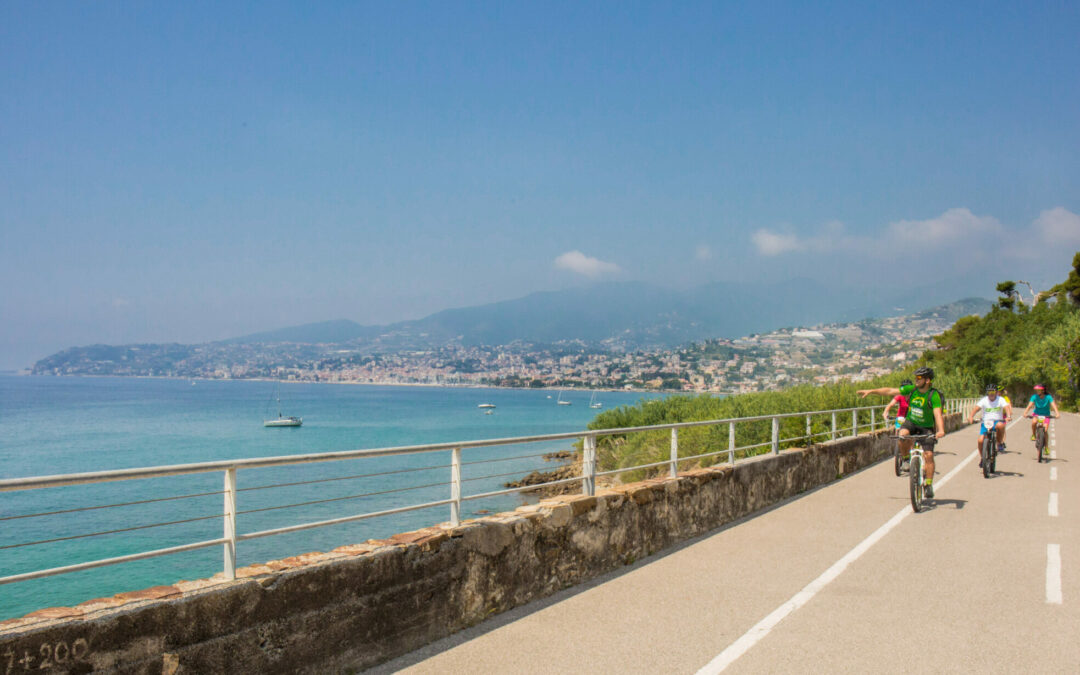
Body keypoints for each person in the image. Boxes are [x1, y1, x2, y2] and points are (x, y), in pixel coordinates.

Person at [858, 367, 945, 496]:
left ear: (927, 380)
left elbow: (937, 414)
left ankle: (928, 483)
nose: (916, 380)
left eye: (919, 378)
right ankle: (905, 459)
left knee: (929, 456)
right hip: (911, 422)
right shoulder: (912, 390)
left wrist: (941, 430)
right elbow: (890, 391)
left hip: (927, 426)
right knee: (902, 435)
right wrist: (872, 391)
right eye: (916, 377)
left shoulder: (934, 395)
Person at [967, 385, 1011, 465]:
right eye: (989, 392)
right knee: (980, 440)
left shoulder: (1000, 399)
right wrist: (971, 417)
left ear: (996, 392)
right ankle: (982, 458)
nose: (991, 394)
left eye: (993, 392)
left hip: (997, 421)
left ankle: (999, 442)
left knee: (1001, 425)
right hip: (986, 423)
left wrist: (1008, 416)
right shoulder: (984, 400)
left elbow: (1006, 408)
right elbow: (976, 408)